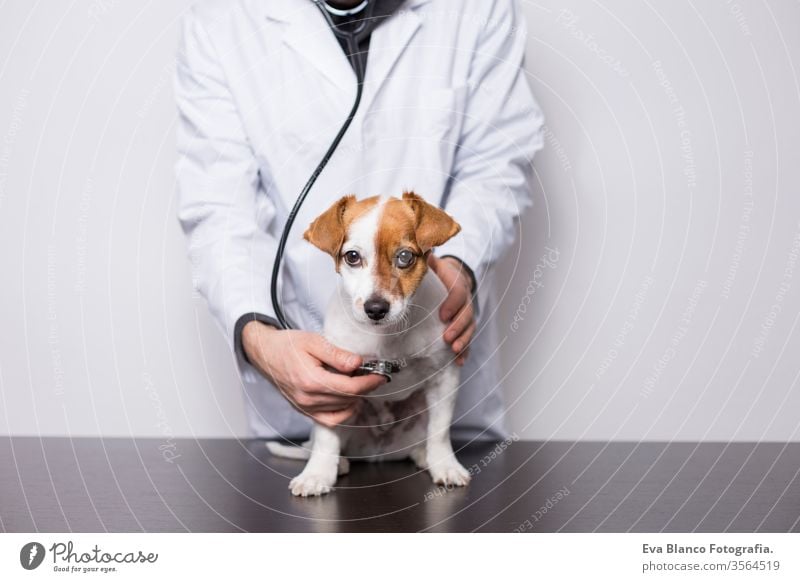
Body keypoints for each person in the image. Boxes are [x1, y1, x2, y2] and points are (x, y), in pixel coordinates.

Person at [175, 0, 544, 442]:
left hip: (442, 402)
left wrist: (459, 265)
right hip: (305, 399)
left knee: (454, 502)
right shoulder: (221, 18)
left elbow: (498, 163)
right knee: (308, 497)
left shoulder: (476, 8)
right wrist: (260, 339)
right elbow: (219, 207)